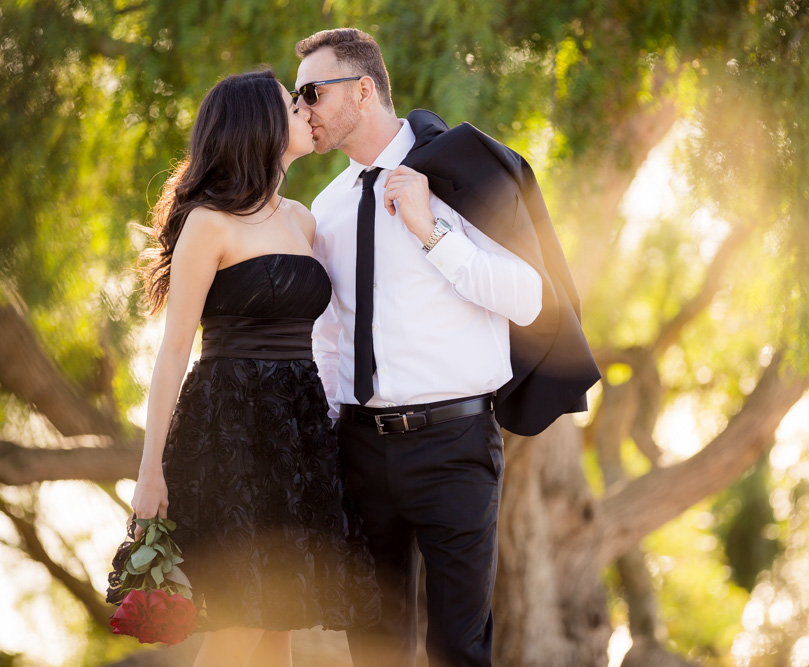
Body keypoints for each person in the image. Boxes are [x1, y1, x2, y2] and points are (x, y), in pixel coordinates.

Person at [294, 28, 601, 666]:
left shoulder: (459, 173)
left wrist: (433, 231)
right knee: (373, 651)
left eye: (312, 93)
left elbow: (529, 299)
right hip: (359, 449)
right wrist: (322, 444)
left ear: (363, 90)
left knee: (459, 649)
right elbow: (327, 338)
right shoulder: (325, 210)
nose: (303, 112)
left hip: (453, 448)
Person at [117, 69, 381, 667]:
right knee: (237, 623)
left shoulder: (303, 220)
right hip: (229, 430)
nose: (307, 113)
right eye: (295, 105)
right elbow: (173, 351)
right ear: (261, 126)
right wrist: (150, 470)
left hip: (298, 430)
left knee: (279, 621)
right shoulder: (208, 223)